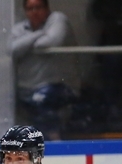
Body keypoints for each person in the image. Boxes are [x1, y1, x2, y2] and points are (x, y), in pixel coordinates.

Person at [11, 0, 78, 140]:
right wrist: (40, 33)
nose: (34, 11)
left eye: (38, 7)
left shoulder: (58, 19)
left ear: (47, 8)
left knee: (42, 101)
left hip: (59, 85)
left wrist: (26, 43)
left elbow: (48, 44)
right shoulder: (19, 28)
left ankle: (57, 144)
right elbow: (12, 49)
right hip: (26, 89)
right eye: (30, 8)